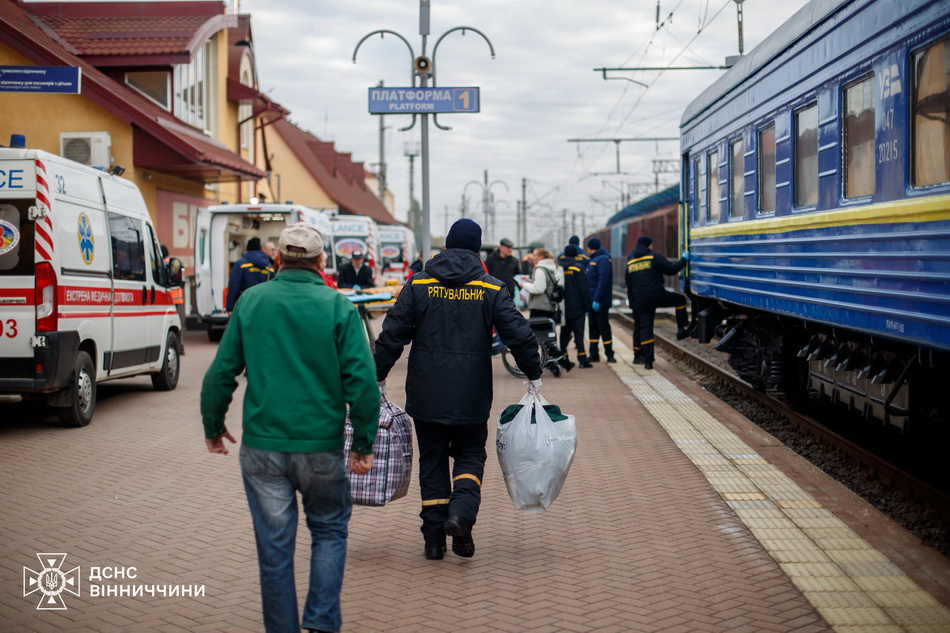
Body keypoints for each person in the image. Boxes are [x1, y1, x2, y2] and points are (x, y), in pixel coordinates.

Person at [201, 223, 379, 633]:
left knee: (274, 549)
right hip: (322, 446)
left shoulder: (250, 302)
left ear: (277, 259)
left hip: (262, 447)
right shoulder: (338, 307)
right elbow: (362, 382)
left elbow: (221, 373)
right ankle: (320, 623)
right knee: (330, 531)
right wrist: (363, 444)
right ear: (320, 262)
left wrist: (213, 425)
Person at [374, 218, 542, 561]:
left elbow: (393, 333)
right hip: (471, 393)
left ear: (446, 246)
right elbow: (519, 334)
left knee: (433, 460)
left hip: (426, 392)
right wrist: (533, 373)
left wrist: (377, 375)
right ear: (478, 249)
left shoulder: (418, 284)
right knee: (470, 455)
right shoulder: (492, 288)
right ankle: (461, 515)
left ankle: (433, 541)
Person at [625, 235, 690, 370]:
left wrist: (633, 302)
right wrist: (684, 259)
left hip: (641, 300)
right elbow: (672, 269)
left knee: (646, 328)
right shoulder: (654, 257)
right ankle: (681, 329)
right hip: (657, 295)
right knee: (680, 300)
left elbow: (628, 284)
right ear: (649, 245)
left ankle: (648, 362)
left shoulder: (630, 262)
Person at [518, 247, 573, 371]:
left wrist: (524, 285)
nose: (534, 258)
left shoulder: (540, 269)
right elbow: (546, 285)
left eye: (536, 256)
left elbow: (539, 289)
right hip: (548, 307)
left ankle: (558, 359)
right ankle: (555, 360)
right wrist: (531, 280)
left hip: (539, 307)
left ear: (541, 257)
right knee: (545, 337)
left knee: (536, 337)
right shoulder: (551, 267)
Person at [559, 244, 593, 368]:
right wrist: (587, 307)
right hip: (577, 307)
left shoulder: (559, 267)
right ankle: (582, 360)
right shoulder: (578, 268)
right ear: (576, 255)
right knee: (579, 334)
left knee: (564, 333)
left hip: (563, 307)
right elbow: (584, 290)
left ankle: (563, 357)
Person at [586, 237, 616, 363]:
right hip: (592, 300)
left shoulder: (603, 259)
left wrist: (597, 299)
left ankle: (609, 354)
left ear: (590, 248)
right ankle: (594, 353)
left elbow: (603, 281)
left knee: (603, 327)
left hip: (600, 301)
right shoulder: (593, 259)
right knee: (593, 327)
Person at [226, 237, 274, 312]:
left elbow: (234, 286)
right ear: (260, 249)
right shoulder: (269, 266)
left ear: (247, 249)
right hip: (264, 306)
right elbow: (273, 287)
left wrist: (230, 308)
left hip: (245, 305)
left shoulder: (240, 264)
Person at [161, 245, 186, 356]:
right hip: (178, 297)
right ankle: (180, 346)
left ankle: (174, 346)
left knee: (170, 324)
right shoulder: (177, 262)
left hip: (170, 298)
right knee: (178, 324)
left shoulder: (165, 263)